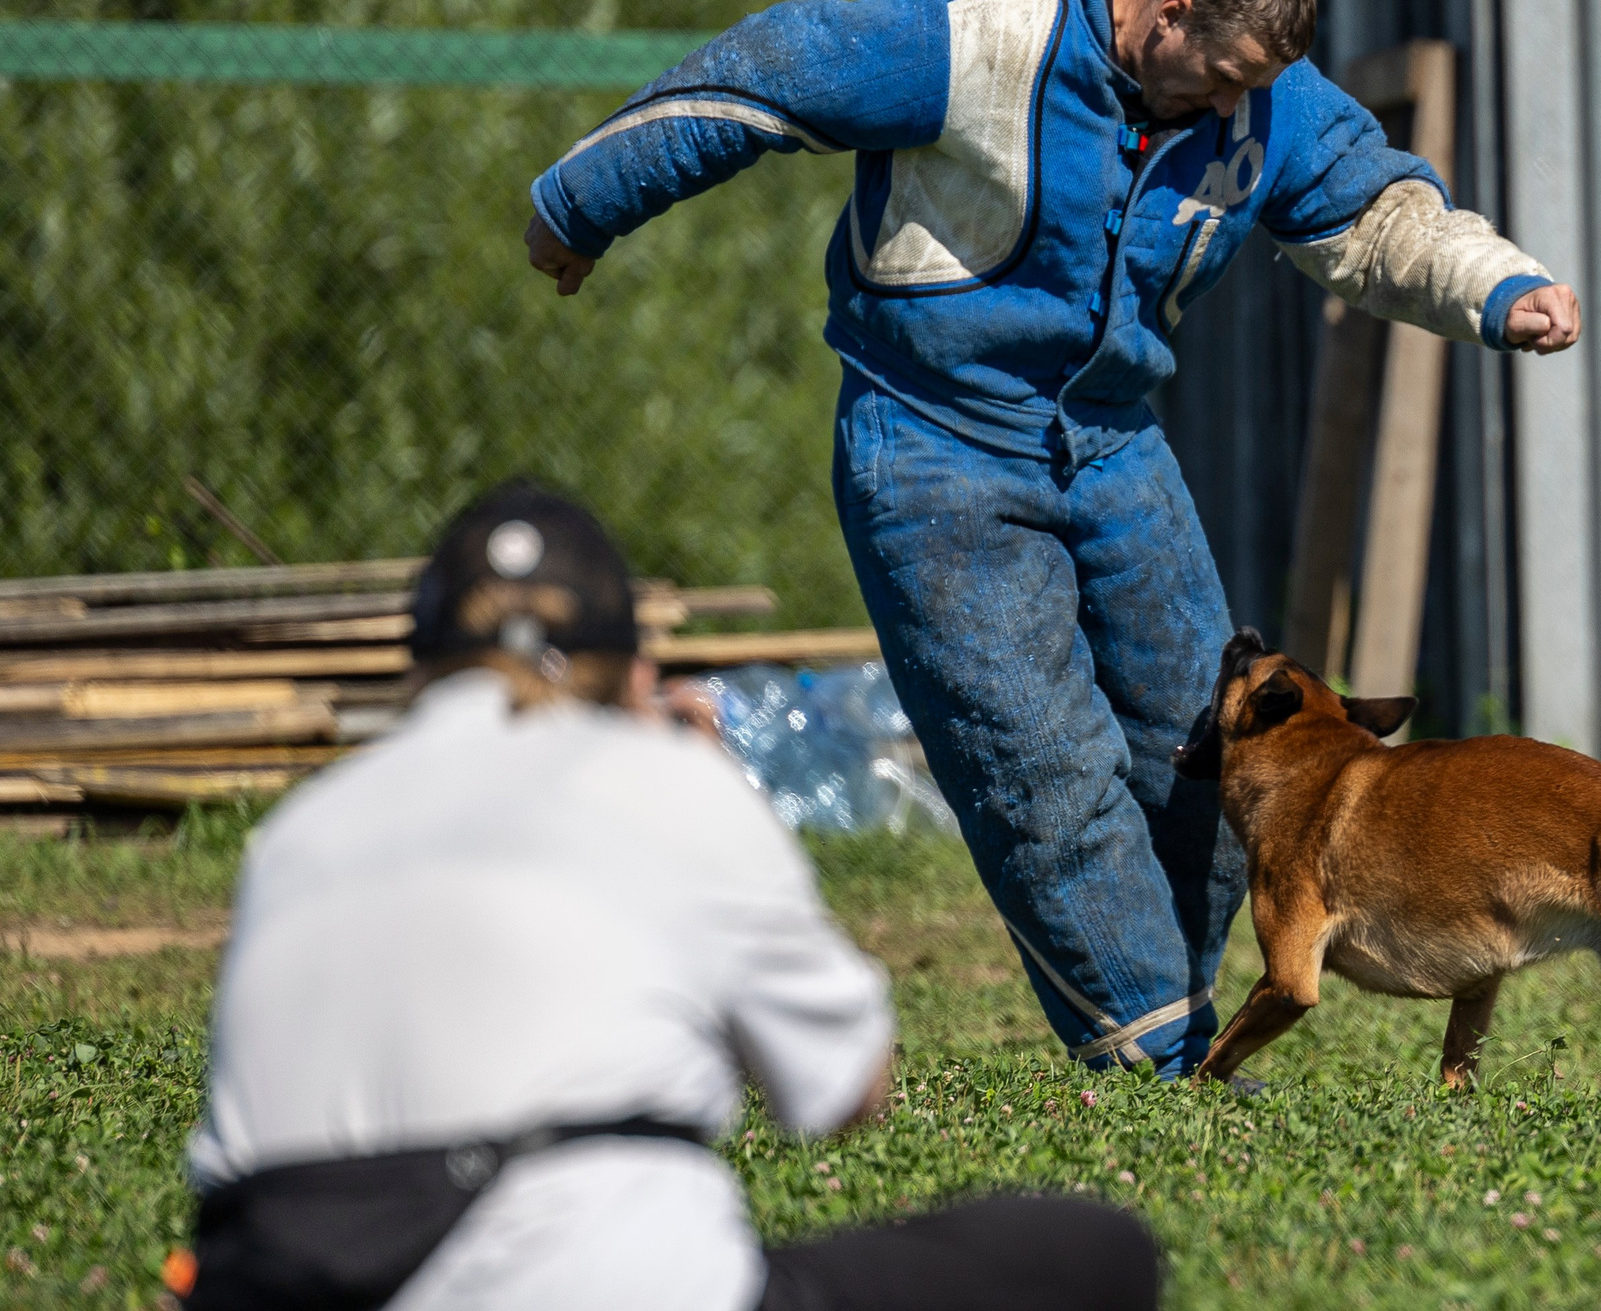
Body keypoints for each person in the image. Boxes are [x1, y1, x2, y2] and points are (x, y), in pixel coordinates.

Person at [521, 0, 1582, 1078]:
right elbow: (777, 65)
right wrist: (582, 206)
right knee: (1040, 767)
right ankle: (1153, 1061)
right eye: (1224, 79)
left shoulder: (1263, 98)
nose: (1239, 110)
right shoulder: (984, 38)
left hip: (1115, 445)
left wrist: (1501, 289)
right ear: (1166, 14)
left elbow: (1378, 220)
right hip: (932, 442)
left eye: (1257, 91)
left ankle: (1180, 1035)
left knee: (1226, 754)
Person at [182, 483, 1157, 1311]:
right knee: (1088, 1252)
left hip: (279, 1275)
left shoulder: (300, 829)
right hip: (601, 1278)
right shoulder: (668, 782)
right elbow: (849, 1088)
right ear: (633, 669)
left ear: (420, 659)